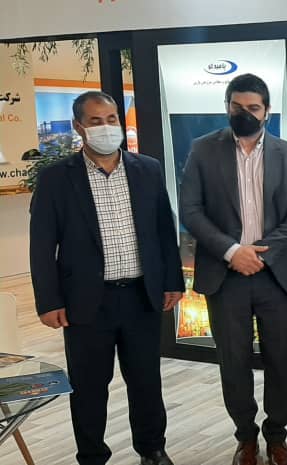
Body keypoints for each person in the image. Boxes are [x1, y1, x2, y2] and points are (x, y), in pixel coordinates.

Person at [29, 91, 184, 465]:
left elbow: (164, 230)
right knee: (88, 387)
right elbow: (42, 246)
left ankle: (152, 449)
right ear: (79, 127)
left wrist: (172, 280)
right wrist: (49, 301)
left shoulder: (147, 169)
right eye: (95, 121)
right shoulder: (56, 179)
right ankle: (92, 455)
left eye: (112, 119)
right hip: (86, 301)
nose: (106, 127)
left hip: (141, 296)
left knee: (146, 381)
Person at [179, 73, 287, 465]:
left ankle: (277, 436)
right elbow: (190, 210)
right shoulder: (203, 150)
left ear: (267, 111)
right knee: (233, 362)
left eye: (253, 108)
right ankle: (246, 437)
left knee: (280, 361)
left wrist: (262, 253)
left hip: (276, 275)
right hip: (226, 276)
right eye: (237, 107)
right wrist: (232, 250)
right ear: (227, 107)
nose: (245, 113)